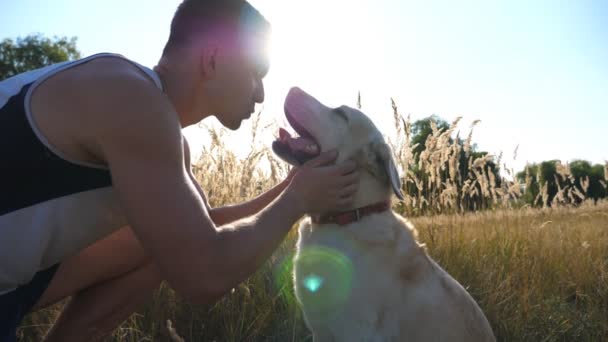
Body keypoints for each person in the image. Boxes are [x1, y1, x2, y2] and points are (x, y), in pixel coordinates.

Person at [0, 1, 359, 341]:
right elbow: (203, 275)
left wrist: (291, 186)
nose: (262, 94)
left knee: (157, 246)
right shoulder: (127, 97)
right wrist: (297, 202)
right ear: (214, 57)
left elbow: (201, 231)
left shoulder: (154, 121)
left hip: (11, 286)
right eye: (256, 73)